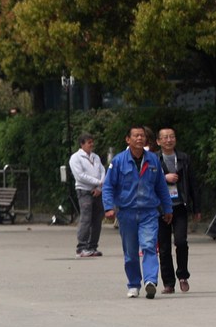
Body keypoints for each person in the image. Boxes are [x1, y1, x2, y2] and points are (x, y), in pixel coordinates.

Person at [102, 125, 173, 299]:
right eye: (135, 136)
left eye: (142, 136)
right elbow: (108, 186)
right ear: (128, 139)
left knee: (149, 246)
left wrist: (168, 208)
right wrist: (108, 207)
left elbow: (161, 187)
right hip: (127, 213)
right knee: (131, 253)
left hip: (149, 212)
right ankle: (133, 284)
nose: (139, 139)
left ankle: (150, 281)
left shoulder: (153, 161)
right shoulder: (118, 161)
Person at [155, 128, 201, 294]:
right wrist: (164, 178)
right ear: (158, 141)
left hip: (180, 205)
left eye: (172, 136)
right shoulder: (153, 159)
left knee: (181, 241)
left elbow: (193, 183)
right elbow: (147, 181)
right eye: (165, 137)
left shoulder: (184, 158)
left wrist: (197, 207)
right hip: (160, 207)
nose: (169, 140)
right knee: (164, 246)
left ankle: (183, 275)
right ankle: (168, 282)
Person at [68, 133, 105, 258]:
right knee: (86, 218)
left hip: (98, 191)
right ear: (82, 144)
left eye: (92, 142)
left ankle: (92, 246)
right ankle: (81, 247)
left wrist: (100, 186)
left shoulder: (95, 157)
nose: (91, 144)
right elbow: (80, 176)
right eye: (89, 142)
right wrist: (98, 182)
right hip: (84, 191)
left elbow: (102, 170)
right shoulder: (75, 158)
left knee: (97, 219)